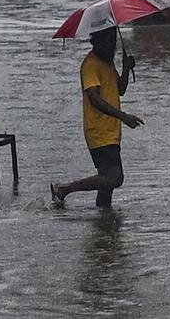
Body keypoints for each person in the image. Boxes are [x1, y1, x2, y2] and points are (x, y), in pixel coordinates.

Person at [51, 28, 145, 207]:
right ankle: (64, 189)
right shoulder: (90, 65)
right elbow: (94, 99)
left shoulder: (108, 62)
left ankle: (105, 222)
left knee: (106, 185)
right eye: (108, 41)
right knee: (115, 178)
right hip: (99, 131)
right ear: (97, 41)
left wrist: (126, 69)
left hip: (111, 130)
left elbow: (120, 90)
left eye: (113, 40)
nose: (113, 45)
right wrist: (123, 116)